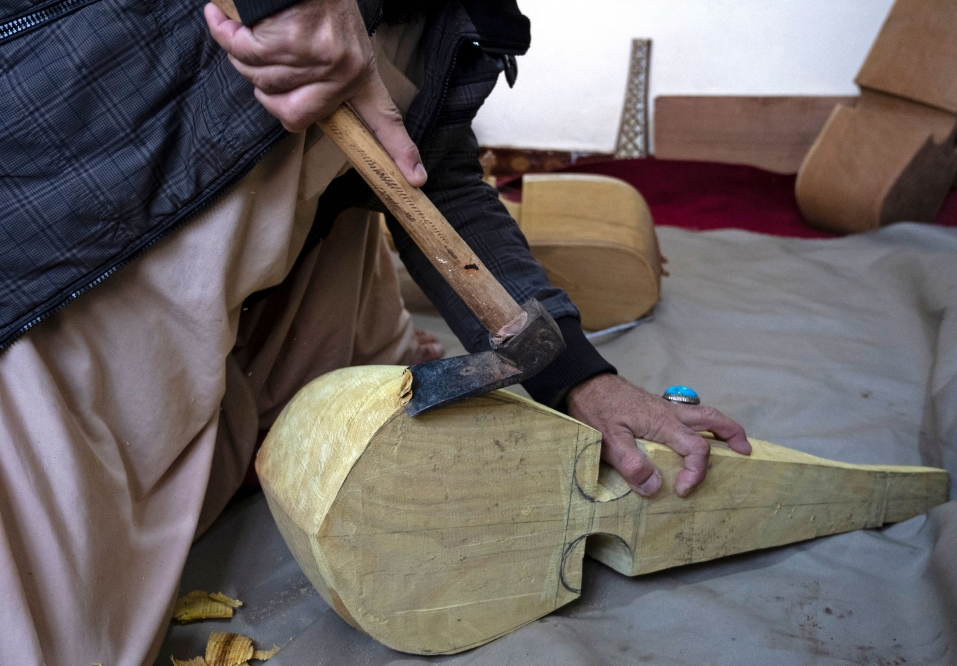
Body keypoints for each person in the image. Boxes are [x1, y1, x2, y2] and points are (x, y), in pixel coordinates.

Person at [0, 0, 751, 662]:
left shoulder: (461, 18)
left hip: (254, 233)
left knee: (321, 408)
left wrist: (580, 376)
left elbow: (433, 166)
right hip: (73, 207)